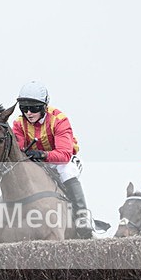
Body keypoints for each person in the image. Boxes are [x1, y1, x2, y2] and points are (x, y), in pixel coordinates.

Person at [12, 81, 95, 239]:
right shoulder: (18, 123)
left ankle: (82, 216)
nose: (28, 112)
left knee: (67, 170)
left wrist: (43, 154)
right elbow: (21, 151)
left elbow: (64, 155)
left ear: (44, 106)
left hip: (63, 159)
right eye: (24, 108)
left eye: (34, 108)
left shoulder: (59, 120)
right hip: (36, 160)